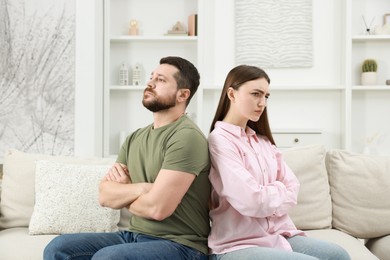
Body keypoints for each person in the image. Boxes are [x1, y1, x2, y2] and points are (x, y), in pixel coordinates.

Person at [44, 56, 211, 260]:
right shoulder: (134, 138)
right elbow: (105, 196)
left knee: (109, 258)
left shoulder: (187, 137)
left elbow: (157, 209)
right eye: (151, 77)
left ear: (182, 94)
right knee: (57, 248)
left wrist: (125, 194)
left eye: (161, 80)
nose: (150, 83)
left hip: (181, 245)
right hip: (132, 235)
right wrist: (142, 188)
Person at [207, 65, 351, 260]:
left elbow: (293, 189)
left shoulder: (263, 142)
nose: (262, 103)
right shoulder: (220, 141)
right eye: (256, 94)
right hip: (237, 244)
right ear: (231, 94)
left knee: (338, 255)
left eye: (266, 96)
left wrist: (268, 193)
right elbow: (251, 201)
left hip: (277, 235)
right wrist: (277, 189)